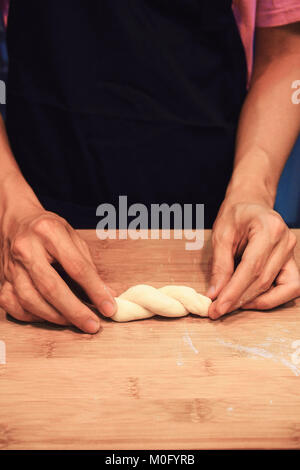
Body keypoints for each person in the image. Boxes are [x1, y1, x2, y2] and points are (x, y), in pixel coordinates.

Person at [0, 0, 300, 333]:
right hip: (36, 214)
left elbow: (286, 52)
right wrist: (11, 207)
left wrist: (251, 191)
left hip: (211, 233)